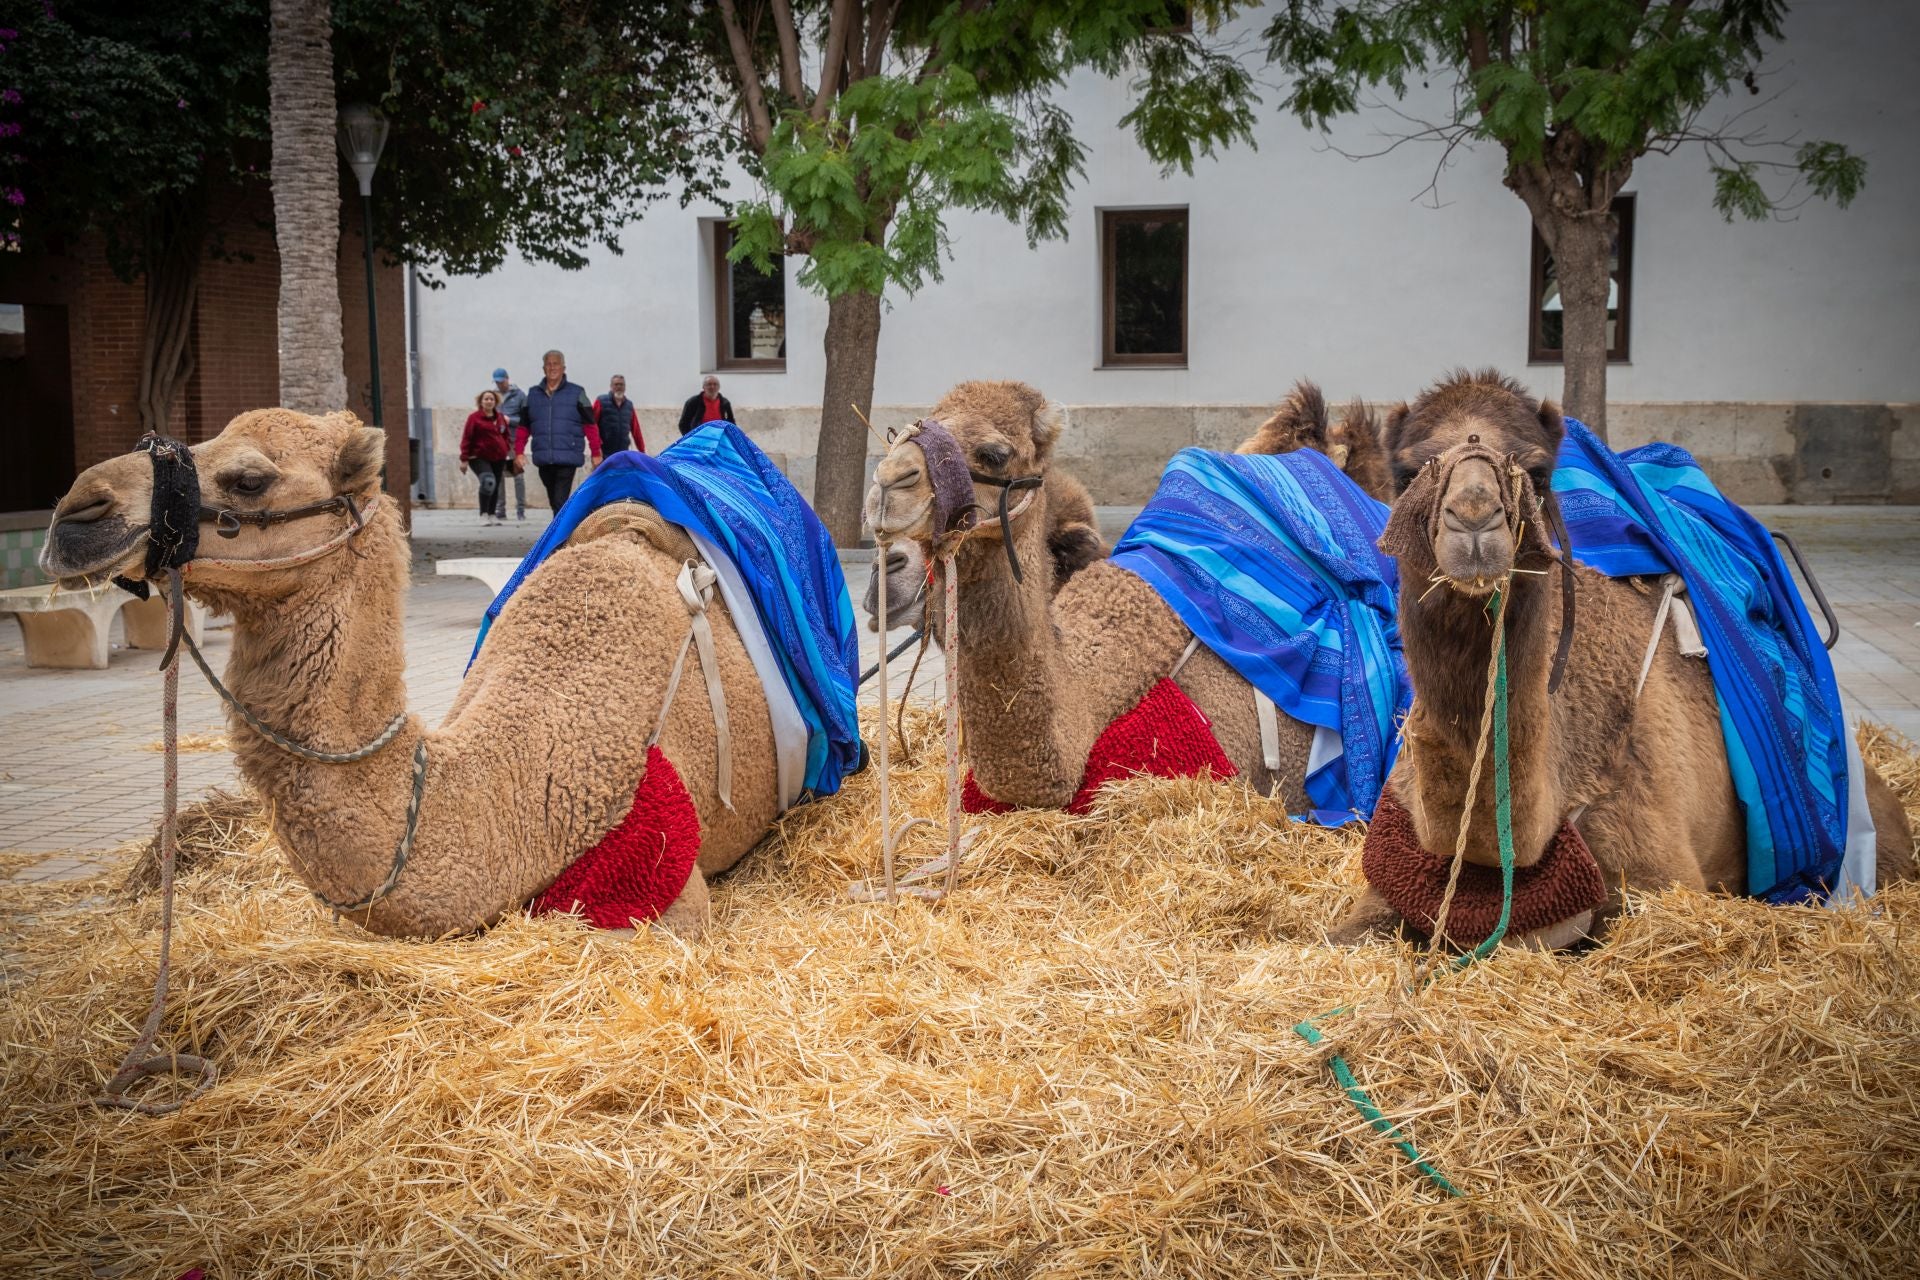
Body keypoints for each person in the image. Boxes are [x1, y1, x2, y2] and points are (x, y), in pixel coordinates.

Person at [514, 349, 601, 514]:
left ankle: (560, 536)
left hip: (568, 455)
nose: (552, 367)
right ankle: (563, 529)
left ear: (563, 368)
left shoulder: (577, 393)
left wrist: (596, 452)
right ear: (543, 368)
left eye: (556, 364)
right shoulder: (532, 394)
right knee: (555, 500)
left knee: (560, 499)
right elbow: (523, 426)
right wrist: (519, 452)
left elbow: (590, 424)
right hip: (544, 457)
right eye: (548, 364)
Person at [459, 389, 513, 524]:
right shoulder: (474, 418)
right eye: (486, 399)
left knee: (495, 485)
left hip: (499, 457)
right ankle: (483, 514)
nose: (489, 401)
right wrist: (464, 459)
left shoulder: (500, 418)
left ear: (495, 402)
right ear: (481, 402)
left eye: (491, 399)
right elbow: (467, 437)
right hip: (479, 456)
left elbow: (506, 435)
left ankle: (492, 514)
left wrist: (507, 449)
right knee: (488, 482)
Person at [493, 367, 530, 520]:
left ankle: (520, 510)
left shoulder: (520, 396)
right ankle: (500, 510)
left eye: (502, 382)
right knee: (499, 475)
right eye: (497, 382)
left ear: (507, 379)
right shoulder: (493, 396)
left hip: (514, 441)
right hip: (498, 441)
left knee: (518, 475)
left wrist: (510, 420)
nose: (500, 385)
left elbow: (526, 418)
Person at [594, 374, 644, 454]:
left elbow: (636, 430)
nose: (619, 387)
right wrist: (596, 450)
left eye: (621, 384)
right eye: (616, 384)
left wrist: (642, 451)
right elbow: (592, 425)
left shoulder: (629, 405)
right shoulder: (601, 401)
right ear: (611, 386)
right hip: (604, 452)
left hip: (623, 452)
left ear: (625, 387)